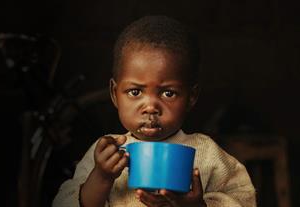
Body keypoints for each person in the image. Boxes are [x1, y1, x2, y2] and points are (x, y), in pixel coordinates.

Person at [52, 15, 256, 207]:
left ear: (191, 97)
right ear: (115, 94)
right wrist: (102, 178)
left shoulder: (208, 154)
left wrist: (197, 205)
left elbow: (243, 198)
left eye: (168, 93)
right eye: (135, 92)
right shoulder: (106, 154)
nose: (150, 107)